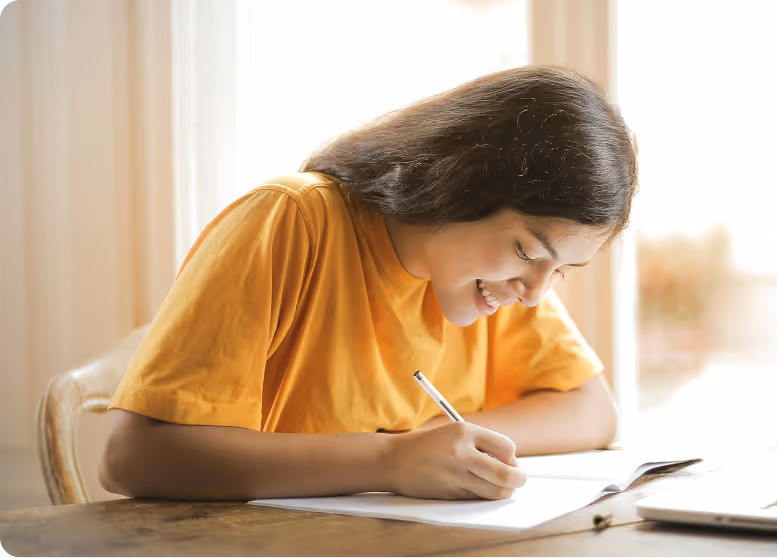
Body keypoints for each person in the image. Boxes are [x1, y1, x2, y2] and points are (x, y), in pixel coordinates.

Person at [99, 65, 639, 502]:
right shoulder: (291, 221)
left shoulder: (499, 282)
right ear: (459, 185)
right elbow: (132, 457)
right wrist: (391, 461)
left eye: (561, 270)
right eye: (527, 251)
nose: (536, 292)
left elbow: (591, 410)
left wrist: (441, 441)